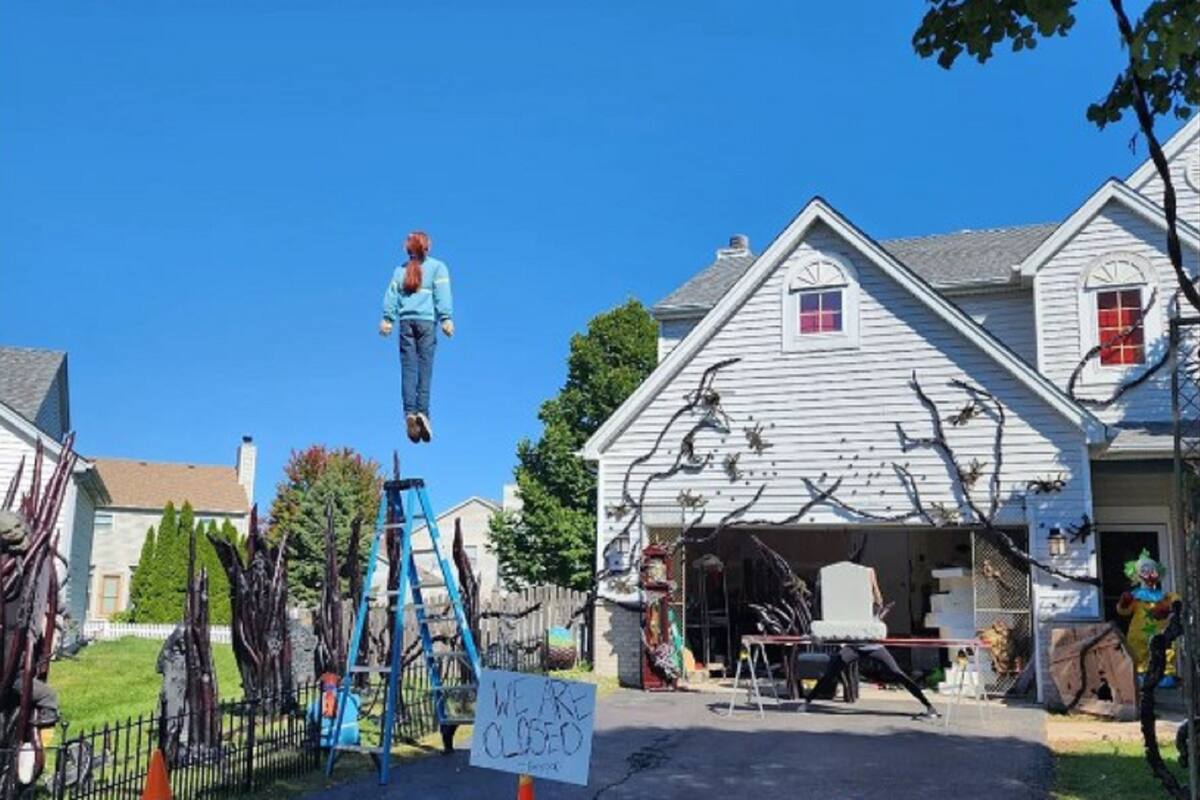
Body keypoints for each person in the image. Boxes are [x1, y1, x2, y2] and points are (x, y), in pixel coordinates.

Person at [805, 567, 940, 719]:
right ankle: (807, 702)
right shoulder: (849, 606)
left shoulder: (874, 603)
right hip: (854, 646)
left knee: (897, 673)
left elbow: (879, 600)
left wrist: (872, 579)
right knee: (831, 672)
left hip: (873, 646)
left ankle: (929, 706)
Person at [379, 231, 454, 443]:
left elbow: (391, 296)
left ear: (408, 249)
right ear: (427, 248)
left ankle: (409, 414)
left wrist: (387, 320)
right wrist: (446, 319)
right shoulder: (438, 268)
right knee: (425, 369)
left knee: (408, 370)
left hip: (405, 324)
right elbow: (442, 295)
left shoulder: (399, 271)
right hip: (426, 323)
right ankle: (423, 413)